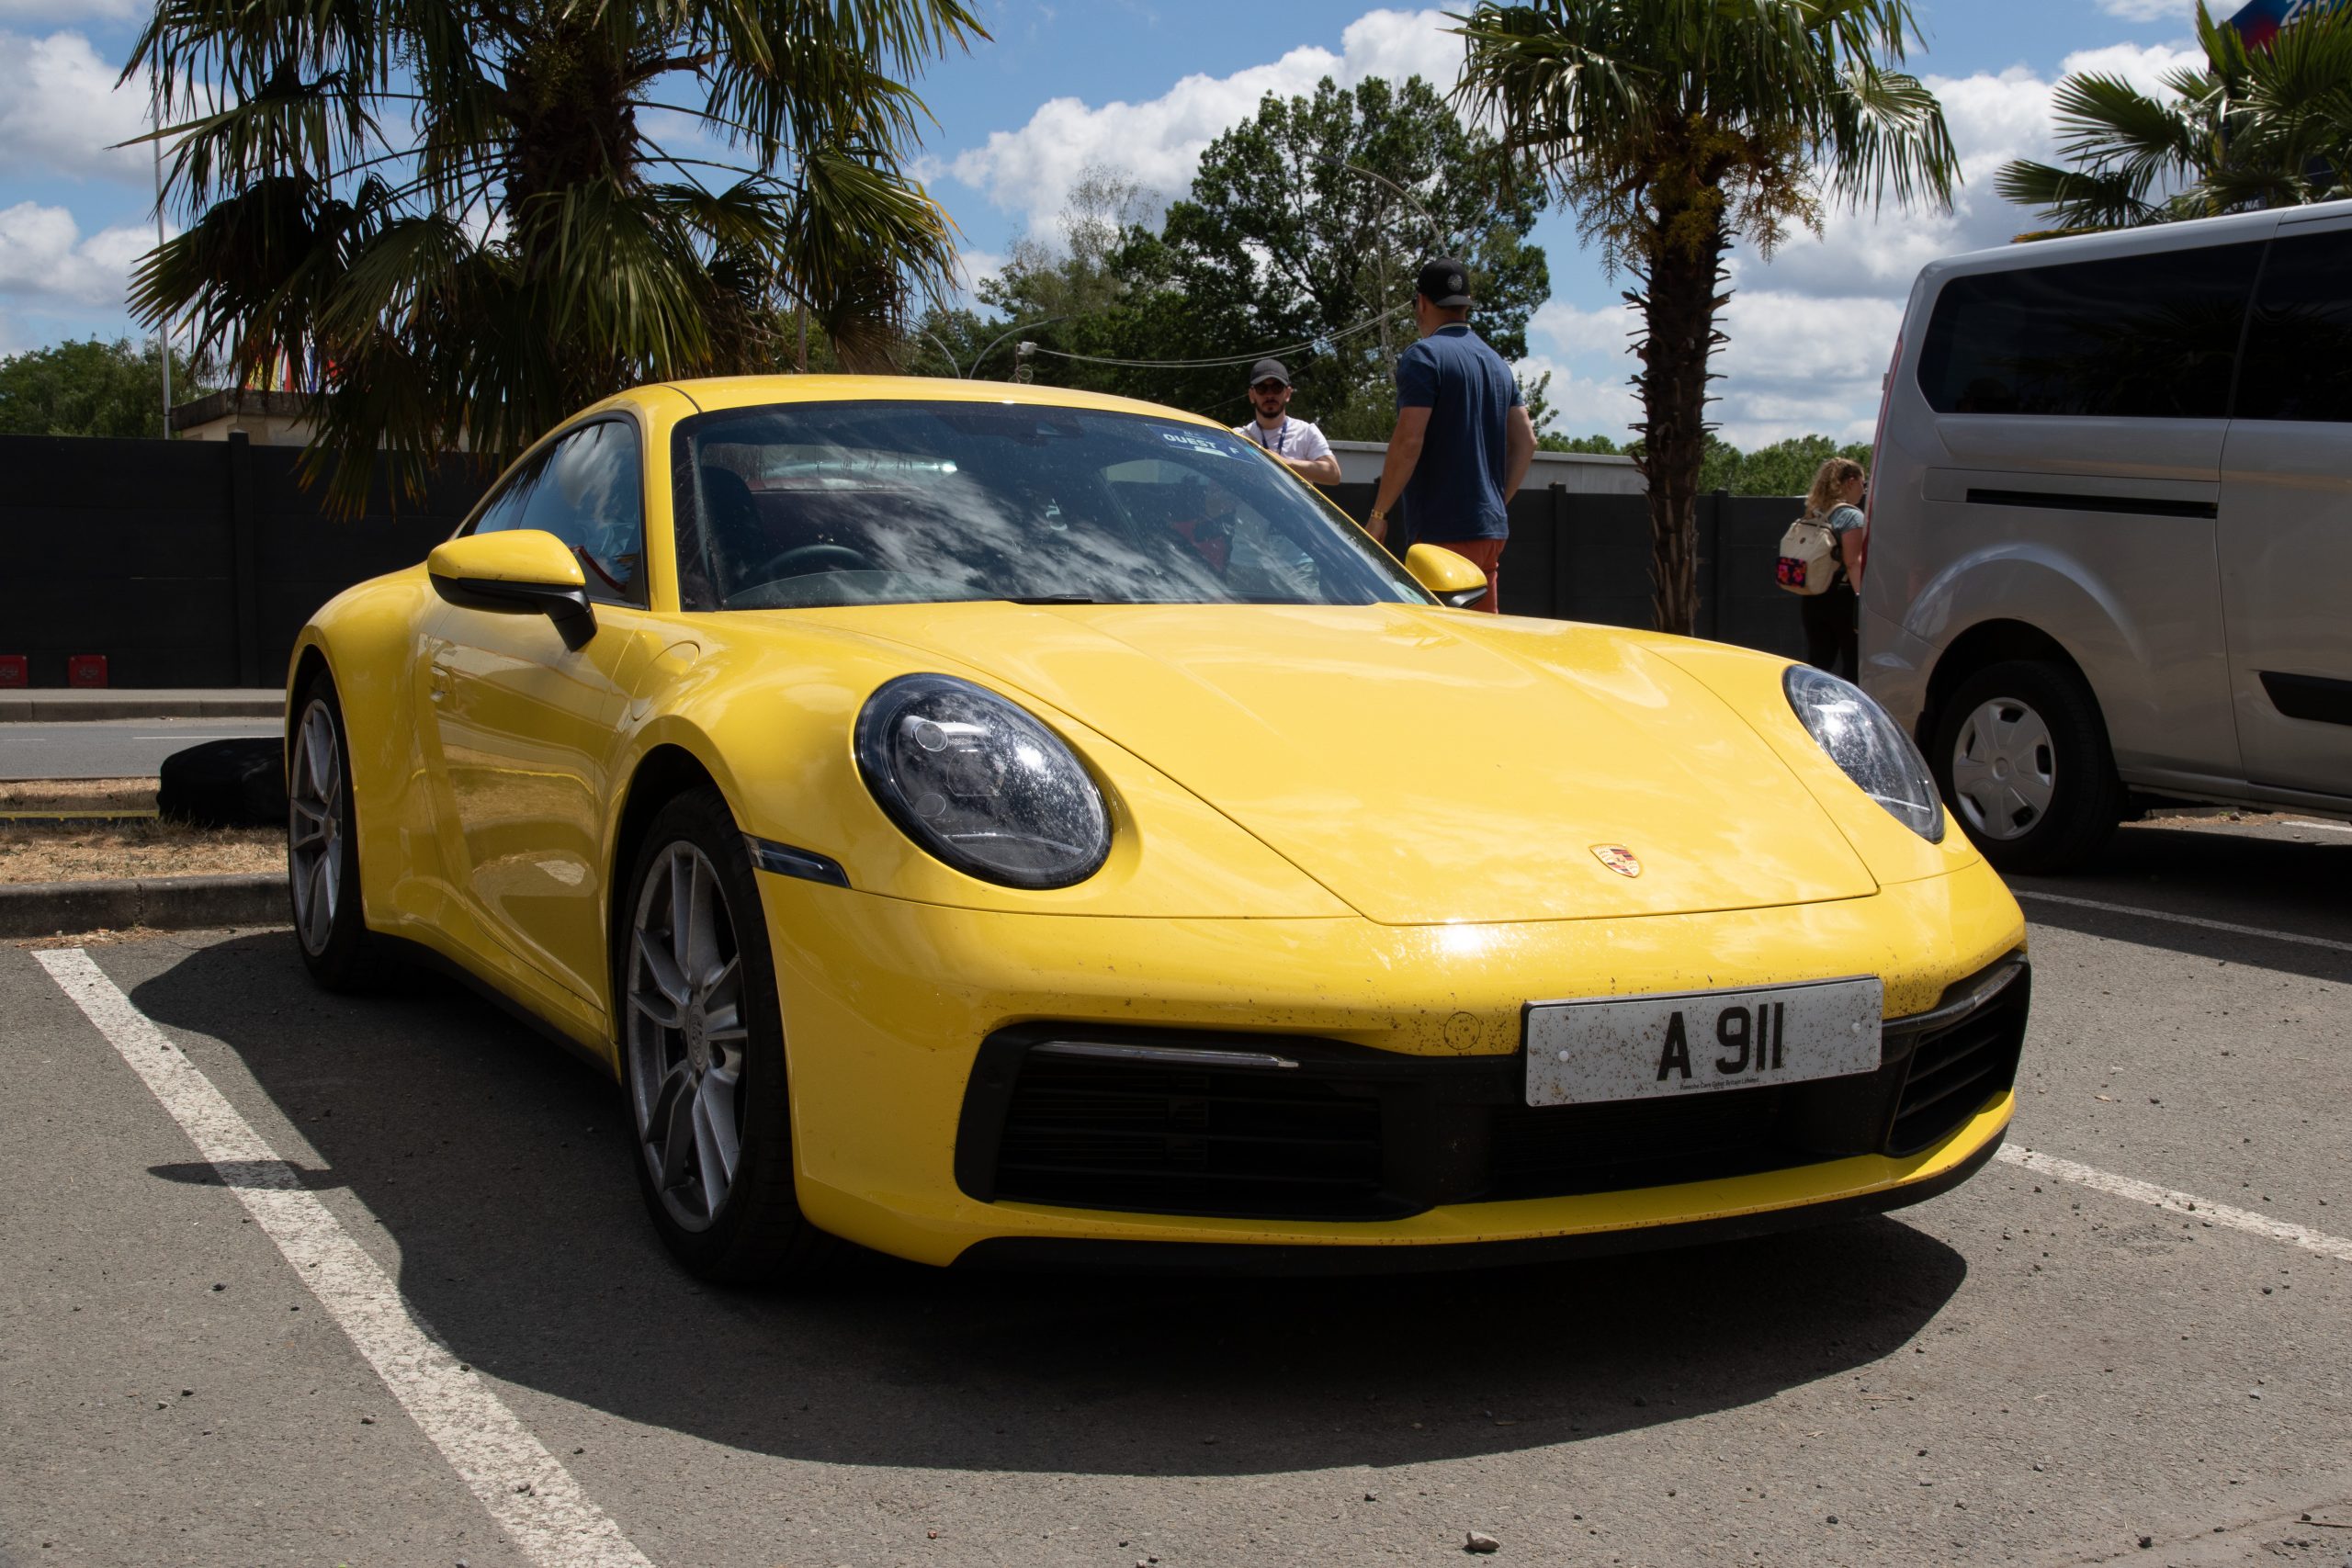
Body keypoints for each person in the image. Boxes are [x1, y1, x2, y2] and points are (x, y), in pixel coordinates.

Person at [1364, 257, 1537, 613]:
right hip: (1489, 531)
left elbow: (1409, 440)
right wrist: (1496, 501)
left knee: (1442, 649)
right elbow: (1527, 441)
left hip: (1443, 533)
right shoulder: (1496, 363)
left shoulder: (1423, 356)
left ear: (1422, 303)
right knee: (1482, 643)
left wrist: (1379, 515)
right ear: (1464, 306)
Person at [1798, 457, 1868, 680]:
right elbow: (1852, 561)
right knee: (1853, 663)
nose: (1863, 490)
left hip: (1812, 595)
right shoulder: (1851, 515)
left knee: (1819, 662)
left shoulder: (1815, 512)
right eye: (1862, 484)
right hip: (1842, 597)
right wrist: (1861, 600)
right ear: (1850, 482)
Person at [1231, 358, 1341, 484]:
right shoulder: (1238, 438)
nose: (1269, 395)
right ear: (1252, 395)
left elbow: (1333, 474)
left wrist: (1283, 463)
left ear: (1287, 393)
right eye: (1262, 388)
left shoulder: (1306, 432)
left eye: (1276, 387)